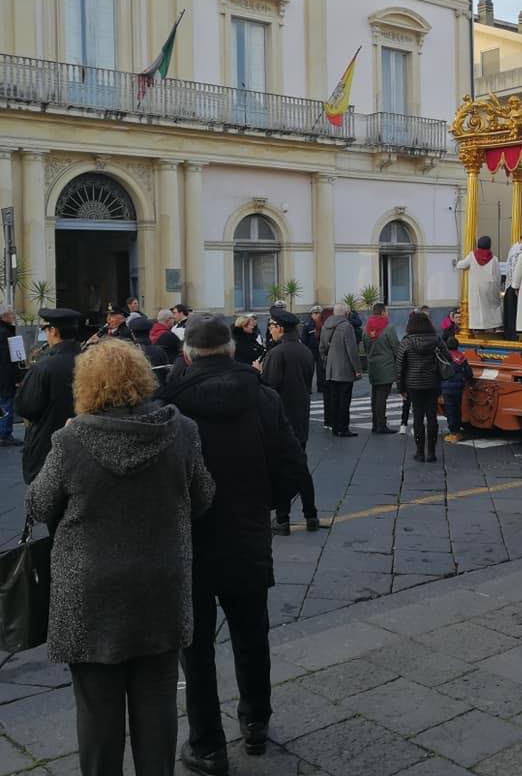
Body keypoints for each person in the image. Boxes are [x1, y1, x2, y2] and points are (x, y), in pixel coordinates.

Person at [26, 339, 215, 776]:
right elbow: (204, 496)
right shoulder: (180, 431)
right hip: (160, 585)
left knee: (96, 711)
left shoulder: (71, 439)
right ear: (142, 378)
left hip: (89, 594)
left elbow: (39, 506)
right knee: (158, 702)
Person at [158, 313, 306, 772]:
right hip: (246, 533)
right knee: (251, 635)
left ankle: (207, 744)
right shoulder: (263, 399)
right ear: (230, 350)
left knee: (195, 647)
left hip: (190, 541)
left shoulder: (168, 407)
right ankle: (255, 723)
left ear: (187, 355)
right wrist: (263, 503)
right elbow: (292, 467)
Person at [261, 309, 319, 534]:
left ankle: (283, 519)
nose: (270, 330)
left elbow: (268, 389)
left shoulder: (277, 353)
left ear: (280, 328)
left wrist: (258, 372)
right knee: (301, 468)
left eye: (272, 326)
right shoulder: (304, 351)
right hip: (300, 418)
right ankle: (311, 514)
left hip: (281, 420)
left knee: (280, 470)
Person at [15, 308, 82, 483]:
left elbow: (25, 407)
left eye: (46, 329)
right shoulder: (90, 359)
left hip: (47, 443)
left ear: (54, 330)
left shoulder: (44, 366)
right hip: (84, 442)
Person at [396, 311, 452, 462]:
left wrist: (400, 387)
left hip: (413, 384)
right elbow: (448, 357)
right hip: (432, 382)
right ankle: (432, 452)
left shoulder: (406, 341)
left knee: (418, 417)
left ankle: (420, 452)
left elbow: (400, 365)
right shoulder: (436, 339)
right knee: (432, 416)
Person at [319, 304, 362, 438]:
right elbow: (352, 349)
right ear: (345, 313)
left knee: (334, 399)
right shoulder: (346, 326)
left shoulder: (326, 325)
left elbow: (321, 347)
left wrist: (327, 360)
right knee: (344, 400)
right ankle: (343, 428)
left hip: (331, 369)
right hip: (344, 369)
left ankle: (335, 427)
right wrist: (357, 369)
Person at [362, 303, 400, 434]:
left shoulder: (366, 327)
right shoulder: (388, 328)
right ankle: (381, 425)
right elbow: (396, 347)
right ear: (383, 312)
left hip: (373, 365)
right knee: (382, 396)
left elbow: (365, 347)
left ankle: (375, 423)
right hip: (386, 366)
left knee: (375, 395)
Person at [456, 235, 502, 331]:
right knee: (489, 309)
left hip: (476, 288)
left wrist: (457, 261)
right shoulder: (494, 259)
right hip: (489, 287)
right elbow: (498, 275)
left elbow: (461, 265)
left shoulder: (472, 256)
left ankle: (478, 328)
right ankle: (491, 327)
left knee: (477, 310)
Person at [441, 337, 473, 444]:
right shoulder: (462, 357)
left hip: (446, 387)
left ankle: (453, 433)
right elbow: (469, 373)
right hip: (458, 387)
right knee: (457, 409)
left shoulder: (444, 357)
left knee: (450, 410)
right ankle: (458, 431)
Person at [0, 303, 22, 447]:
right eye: (11, 315)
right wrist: (17, 376)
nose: (14, 317)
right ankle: (4, 434)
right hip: (5, 376)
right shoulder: (6, 332)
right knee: (7, 403)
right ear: (4, 316)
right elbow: (10, 358)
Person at [128, 315, 170, 384]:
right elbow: (166, 372)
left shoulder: (128, 352)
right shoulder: (159, 351)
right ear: (150, 332)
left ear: (133, 334)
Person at [301, 305, 325, 391]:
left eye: (319, 313)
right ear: (311, 314)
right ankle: (308, 388)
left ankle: (321, 387)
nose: (317, 315)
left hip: (320, 350)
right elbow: (304, 339)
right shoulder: (307, 324)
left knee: (321, 370)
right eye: (315, 313)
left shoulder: (323, 324)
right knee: (309, 370)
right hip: (310, 350)